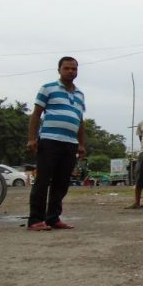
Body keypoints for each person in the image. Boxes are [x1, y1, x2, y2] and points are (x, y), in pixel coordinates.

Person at [26, 56, 86, 231]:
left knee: (61, 183)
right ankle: (35, 219)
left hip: (70, 143)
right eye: (67, 68)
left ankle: (53, 217)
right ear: (59, 70)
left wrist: (81, 144)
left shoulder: (80, 94)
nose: (70, 71)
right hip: (50, 141)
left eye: (74, 69)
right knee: (42, 181)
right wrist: (32, 138)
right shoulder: (48, 88)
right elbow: (36, 114)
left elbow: (80, 121)